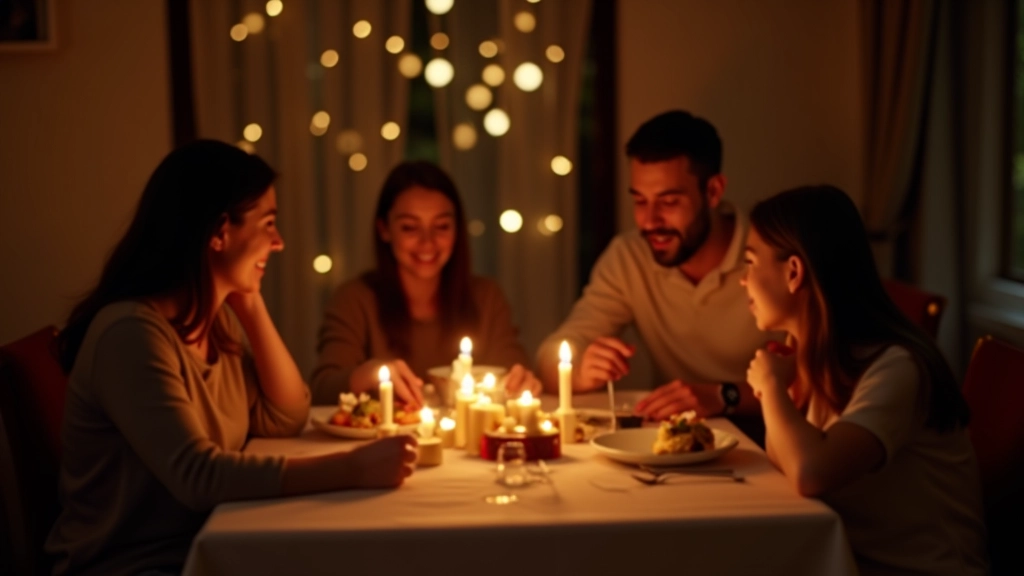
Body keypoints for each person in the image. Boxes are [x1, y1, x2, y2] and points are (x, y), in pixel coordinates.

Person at [46, 141, 417, 576]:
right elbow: (198, 476)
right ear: (220, 232)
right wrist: (352, 467)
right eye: (268, 224)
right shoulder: (131, 334)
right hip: (135, 565)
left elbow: (286, 415)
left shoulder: (213, 323)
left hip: (206, 541)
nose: (278, 243)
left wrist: (251, 305)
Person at [742, 185, 987, 575]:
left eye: (750, 263)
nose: (743, 281)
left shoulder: (896, 366)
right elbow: (786, 467)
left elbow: (810, 474)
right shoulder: (810, 356)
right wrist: (784, 387)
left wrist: (772, 390)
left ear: (793, 272)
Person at [537, 110, 774, 427]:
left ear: (714, 191)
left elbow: (822, 384)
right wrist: (578, 372)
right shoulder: (629, 256)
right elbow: (551, 357)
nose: (649, 221)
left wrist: (723, 396)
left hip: (771, 441)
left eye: (669, 201)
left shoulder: (772, 254)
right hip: (676, 440)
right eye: (639, 200)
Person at [310, 160, 540, 407]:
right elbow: (323, 389)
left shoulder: (486, 297)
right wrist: (368, 375)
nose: (428, 242)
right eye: (410, 227)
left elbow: (513, 369)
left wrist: (521, 381)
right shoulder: (355, 299)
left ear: (457, 230)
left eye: (441, 226)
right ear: (384, 229)